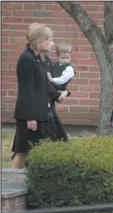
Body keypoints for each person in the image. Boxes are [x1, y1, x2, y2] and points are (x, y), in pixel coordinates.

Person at [11, 22, 54, 169]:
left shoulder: (37, 58)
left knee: (32, 151)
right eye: (49, 40)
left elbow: (42, 86)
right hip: (29, 116)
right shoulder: (27, 59)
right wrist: (30, 117)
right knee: (23, 151)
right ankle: (10, 183)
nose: (52, 44)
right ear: (39, 41)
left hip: (38, 114)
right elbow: (26, 89)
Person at [40, 42, 70, 142]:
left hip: (51, 98)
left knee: (57, 134)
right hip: (44, 100)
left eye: (67, 57)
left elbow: (58, 81)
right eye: (62, 57)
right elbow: (45, 84)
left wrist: (65, 92)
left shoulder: (48, 62)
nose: (52, 43)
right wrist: (60, 94)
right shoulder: (39, 62)